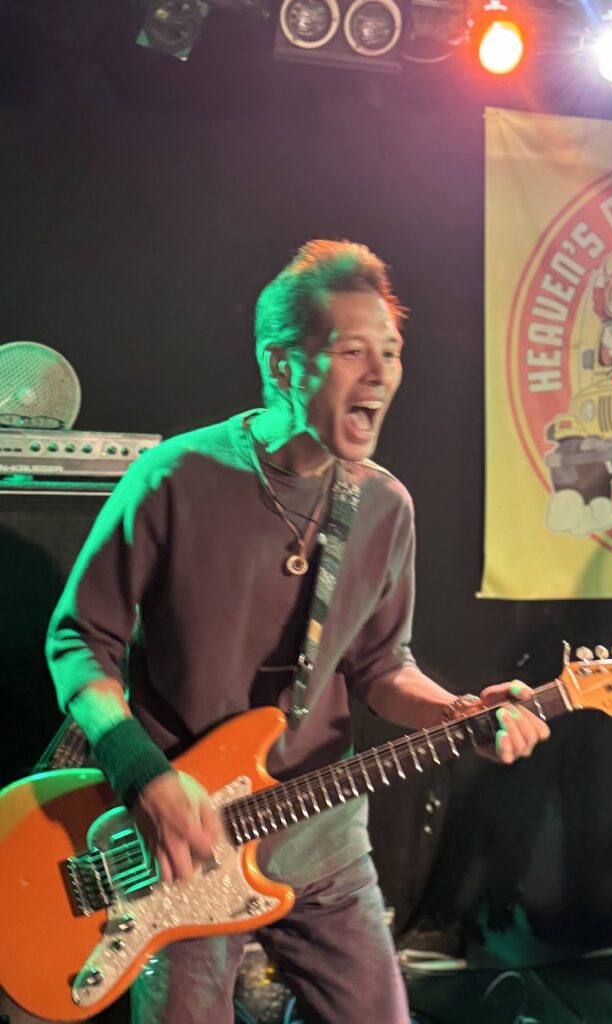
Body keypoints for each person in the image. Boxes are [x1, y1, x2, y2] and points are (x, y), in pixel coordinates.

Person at [46, 239, 551, 1024]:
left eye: (391, 352)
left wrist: (457, 713)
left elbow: (383, 666)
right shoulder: (175, 477)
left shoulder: (385, 506)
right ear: (281, 365)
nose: (380, 374)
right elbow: (80, 640)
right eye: (352, 351)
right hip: (186, 837)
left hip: (323, 835)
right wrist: (146, 777)